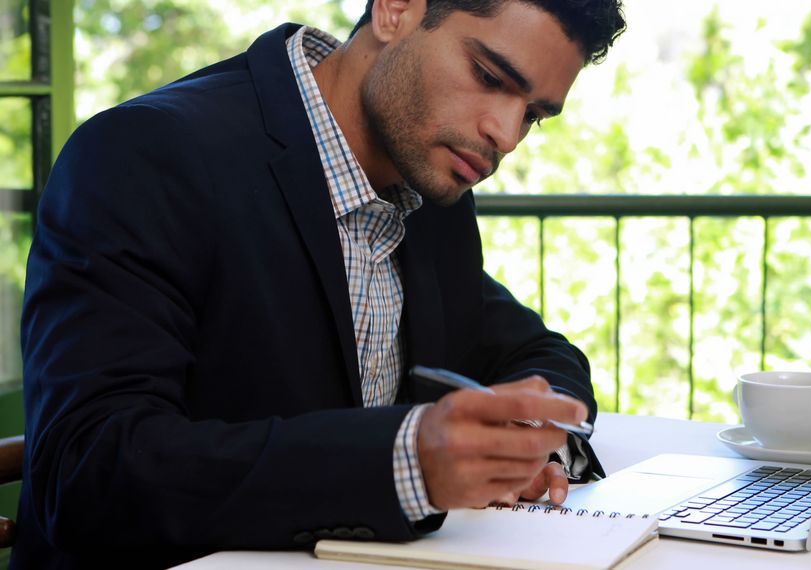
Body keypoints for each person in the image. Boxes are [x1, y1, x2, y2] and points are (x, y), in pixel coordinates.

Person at [12, 0, 626, 567]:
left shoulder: (430, 190)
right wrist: (407, 462)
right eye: (490, 77)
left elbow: (536, 353)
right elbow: (86, 473)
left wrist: (524, 443)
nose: (506, 135)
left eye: (535, 116)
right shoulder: (144, 155)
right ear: (396, 9)